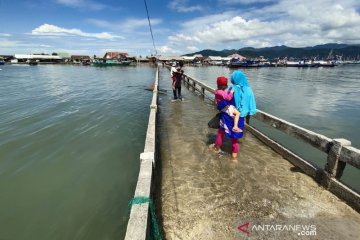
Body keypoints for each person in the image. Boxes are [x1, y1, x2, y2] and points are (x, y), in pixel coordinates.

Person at [211, 70, 257, 160]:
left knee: (221, 133)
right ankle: (234, 158)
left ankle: (216, 148)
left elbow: (224, 102)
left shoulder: (232, 88)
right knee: (235, 139)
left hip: (227, 116)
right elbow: (251, 104)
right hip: (239, 117)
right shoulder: (249, 90)